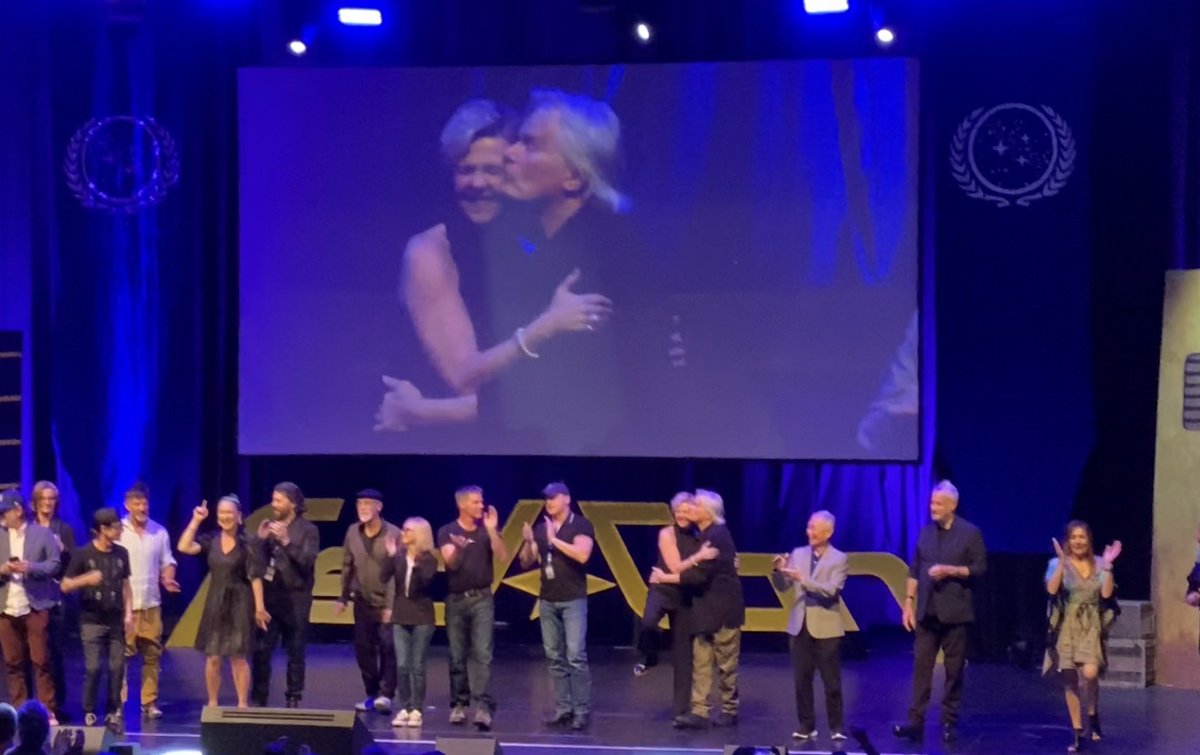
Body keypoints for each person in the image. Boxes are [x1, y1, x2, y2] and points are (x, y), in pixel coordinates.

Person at [376, 98, 609, 433]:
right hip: (445, 449)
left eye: (493, 170)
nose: (478, 184)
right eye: (466, 170)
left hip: (528, 439)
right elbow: (465, 380)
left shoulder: (537, 239)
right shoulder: (431, 251)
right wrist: (421, 412)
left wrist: (421, 410)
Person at [892, 480, 988, 744]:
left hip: (956, 614)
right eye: (932, 503)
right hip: (926, 612)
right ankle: (916, 722)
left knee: (953, 670)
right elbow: (915, 569)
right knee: (921, 669)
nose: (933, 507)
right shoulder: (925, 533)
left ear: (952, 506)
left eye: (938, 503)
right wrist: (908, 603)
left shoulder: (970, 533)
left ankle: (948, 721)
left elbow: (980, 568)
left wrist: (951, 570)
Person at [177, 495, 270, 708]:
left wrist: (260, 608)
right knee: (213, 657)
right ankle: (212, 703)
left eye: (230, 512)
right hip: (215, 602)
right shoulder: (211, 540)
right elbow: (183, 547)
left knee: (238, 657)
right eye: (221, 512)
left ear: (239, 516)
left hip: (240, 602)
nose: (225, 516)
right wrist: (196, 520)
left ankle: (242, 703)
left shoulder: (249, 543)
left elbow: (255, 577)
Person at [518, 482, 595, 731]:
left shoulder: (581, 525)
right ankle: (564, 708)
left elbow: (582, 555)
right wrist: (530, 542)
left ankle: (581, 710)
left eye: (553, 498)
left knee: (575, 656)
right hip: (548, 599)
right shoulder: (542, 528)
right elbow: (527, 562)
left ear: (567, 499)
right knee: (554, 656)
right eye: (546, 498)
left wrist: (554, 540)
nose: (549, 502)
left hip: (573, 599)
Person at [772, 511, 849, 743]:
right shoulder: (798, 553)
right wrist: (779, 570)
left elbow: (831, 590)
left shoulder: (839, 558)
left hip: (826, 627)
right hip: (799, 625)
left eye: (815, 528)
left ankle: (836, 726)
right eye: (808, 527)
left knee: (831, 681)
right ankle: (806, 725)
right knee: (801, 679)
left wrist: (802, 579)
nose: (810, 532)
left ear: (829, 532)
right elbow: (784, 586)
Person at [1045, 521, 1121, 752]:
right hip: (1067, 625)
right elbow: (1051, 590)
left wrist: (1108, 565)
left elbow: (1106, 593)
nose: (1078, 541)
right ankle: (1078, 731)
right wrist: (1061, 565)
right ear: (1068, 541)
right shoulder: (1056, 563)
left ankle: (1093, 712)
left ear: (1088, 540)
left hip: (1091, 625)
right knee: (1069, 679)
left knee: (1089, 673)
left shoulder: (1099, 563)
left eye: (1083, 537)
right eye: (1074, 537)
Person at [641, 492, 717, 719]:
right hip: (663, 590)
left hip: (685, 595)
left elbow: (700, 571)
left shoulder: (700, 536)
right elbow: (675, 567)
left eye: (687, 511)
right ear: (673, 512)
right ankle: (651, 656)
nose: (682, 515)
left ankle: (681, 711)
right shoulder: (666, 533)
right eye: (679, 511)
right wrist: (699, 556)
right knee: (648, 623)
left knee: (683, 656)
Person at [673, 489, 744, 730]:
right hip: (705, 611)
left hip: (723, 611)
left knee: (726, 664)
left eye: (695, 506)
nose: (691, 509)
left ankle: (729, 709)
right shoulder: (703, 535)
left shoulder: (717, 535)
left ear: (707, 512)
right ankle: (699, 711)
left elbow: (699, 575)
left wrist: (671, 576)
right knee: (701, 661)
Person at [437, 486, 507, 730]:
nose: (481, 505)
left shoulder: (486, 531)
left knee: (482, 654)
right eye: (476, 502)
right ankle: (459, 703)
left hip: (482, 599)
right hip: (456, 600)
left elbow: (502, 555)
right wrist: (459, 545)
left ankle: (483, 707)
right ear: (462, 505)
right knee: (457, 655)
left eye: (481, 501)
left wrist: (491, 530)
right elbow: (451, 563)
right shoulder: (447, 531)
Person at [61, 507, 132, 732]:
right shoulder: (83, 554)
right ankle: (90, 710)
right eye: (117, 527)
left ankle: (113, 711)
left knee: (116, 666)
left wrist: (129, 614)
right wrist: (86, 579)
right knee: (93, 668)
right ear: (103, 529)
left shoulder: (122, 553)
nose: (121, 530)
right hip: (91, 620)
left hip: (115, 621)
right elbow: (65, 585)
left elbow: (125, 586)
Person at [251, 482, 320, 708]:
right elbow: (258, 564)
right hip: (272, 597)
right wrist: (261, 540)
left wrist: (287, 542)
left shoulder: (308, 530)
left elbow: (307, 561)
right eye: (273, 499)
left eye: (279, 500)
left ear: (293, 503)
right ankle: (259, 695)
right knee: (262, 649)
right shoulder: (271, 527)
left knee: (296, 649)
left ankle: (293, 696)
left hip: (297, 597)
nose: (274, 504)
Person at [116, 481, 180, 720]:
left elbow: (168, 561)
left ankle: (149, 701)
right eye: (137, 503)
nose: (142, 507)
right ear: (127, 505)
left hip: (151, 603)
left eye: (145, 503)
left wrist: (168, 578)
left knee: (152, 655)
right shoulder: (118, 532)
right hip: (125, 606)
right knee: (121, 656)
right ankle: (119, 702)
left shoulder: (159, 532)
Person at [333, 489, 400, 714]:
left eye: (368, 503)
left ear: (379, 507)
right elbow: (347, 564)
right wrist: (343, 597)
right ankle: (371, 693)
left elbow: (395, 573)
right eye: (360, 503)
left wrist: (390, 605)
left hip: (386, 602)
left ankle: (386, 694)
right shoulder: (353, 531)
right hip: (362, 600)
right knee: (363, 649)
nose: (363, 508)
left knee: (388, 647)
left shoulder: (393, 533)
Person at [0, 490, 62, 724]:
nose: (3, 516)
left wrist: (31, 567)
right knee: (13, 662)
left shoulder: (41, 533)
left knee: (41, 660)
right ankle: (20, 711)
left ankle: (47, 709)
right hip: (6, 606)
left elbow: (54, 564)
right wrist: (3, 569)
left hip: (35, 605)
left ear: (18, 509)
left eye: (6, 511)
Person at [381, 517, 437, 728]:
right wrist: (391, 554)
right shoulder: (399, 556)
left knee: (417, 665)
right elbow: (382, 577)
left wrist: (414, 563)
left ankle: (417, 708)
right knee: (403, 664)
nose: (403, 533)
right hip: (400, 617)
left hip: (422, 617)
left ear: (419, 534)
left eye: (407, 530)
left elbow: (421, 586)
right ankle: (404, 706)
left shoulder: (429, 559)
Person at [29, 481, 74, 720]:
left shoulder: (63, 529)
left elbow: (72, 563)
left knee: (53, 650)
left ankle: (55, 702)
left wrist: (63, 550)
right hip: (30, 595)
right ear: (35, 501)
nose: (48, 503)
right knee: (32, 652)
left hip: (55, 596)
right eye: (44, 498)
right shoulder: (28, 527)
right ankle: (30, 703)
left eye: (52, 499)